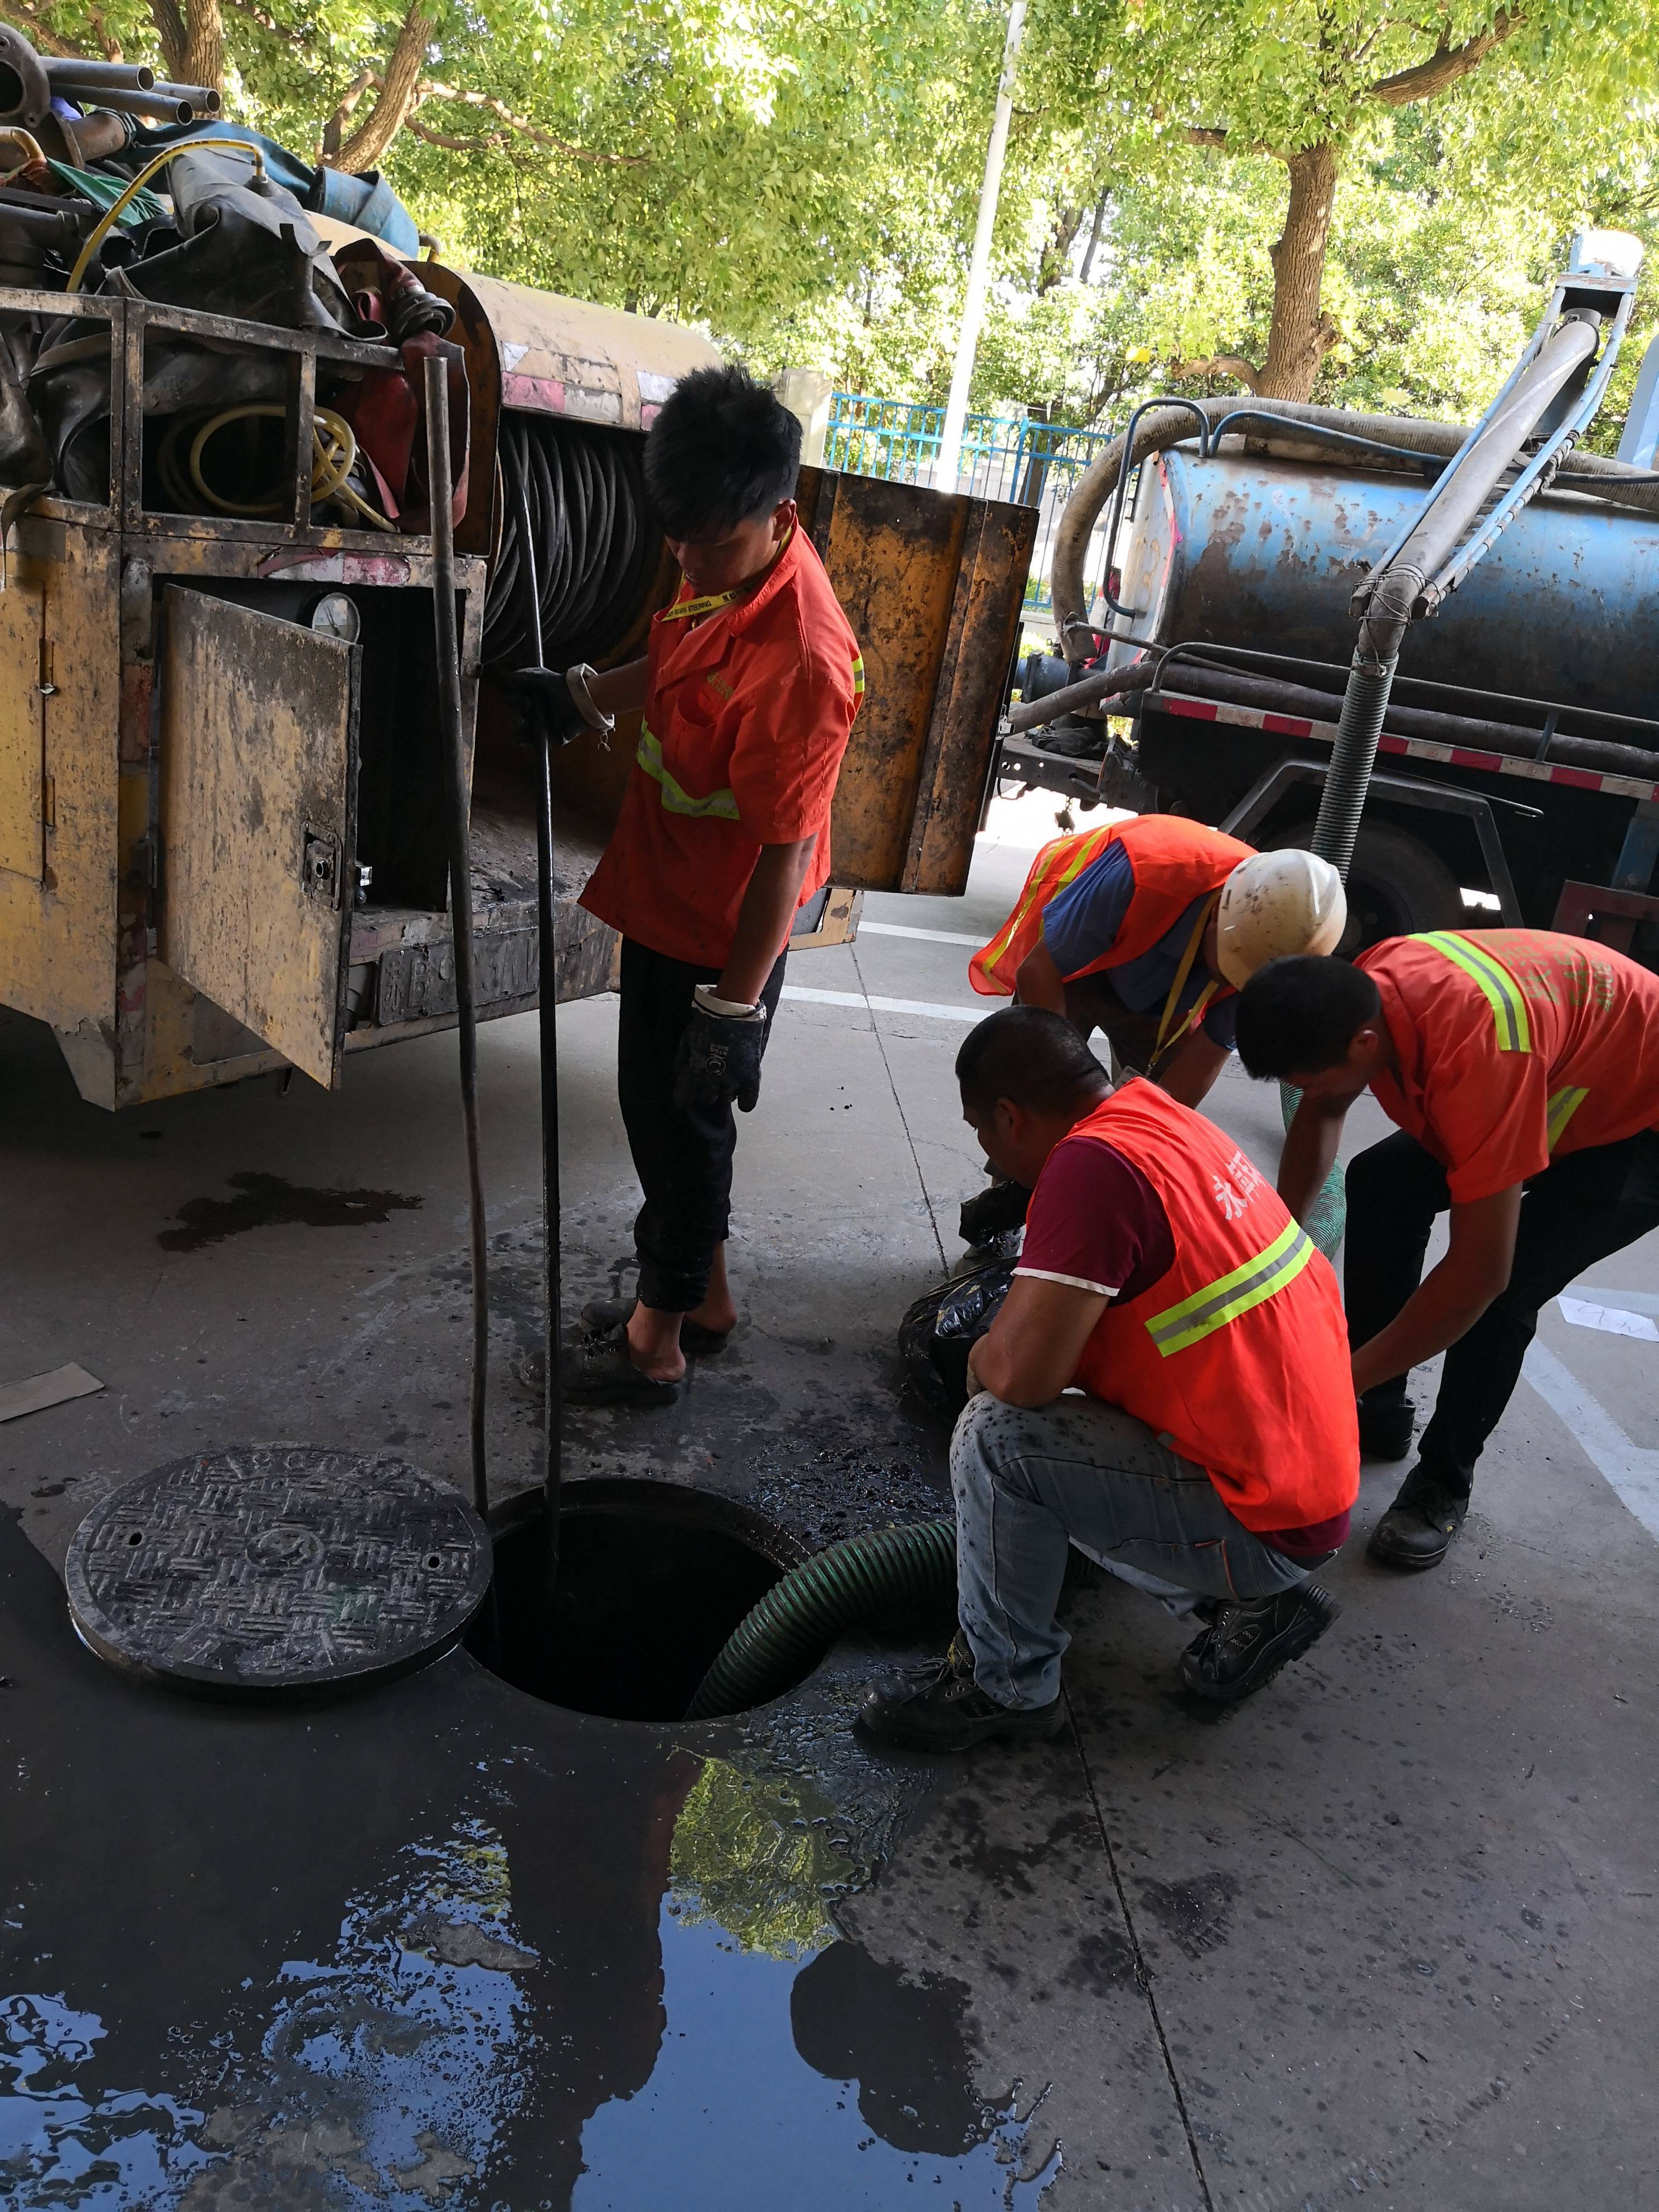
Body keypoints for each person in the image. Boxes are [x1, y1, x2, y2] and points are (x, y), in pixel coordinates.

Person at [860, 1008, 1358, 1752]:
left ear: (1009, 1116)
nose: (990, 1158)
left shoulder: (1091, 1170)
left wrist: (984, 1359)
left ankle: (1007, 1686)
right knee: (1058, 1406)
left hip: (1268, 1518)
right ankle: (1258, 1607)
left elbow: (1021, 1379)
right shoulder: (1154, 1116)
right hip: (1300, 1476)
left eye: (983, 1134)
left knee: (996, 1437)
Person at [515, 365, 862, 1406]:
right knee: (663, 1118)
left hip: (726, 925)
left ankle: (654, 1345)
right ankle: (702, 1302)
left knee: (680, 1124)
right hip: (671, 886)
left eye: (711, 544)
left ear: (779, 515)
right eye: (681, 538)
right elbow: (673, 653)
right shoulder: (718, 559)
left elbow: (783, 858)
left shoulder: (803, 659)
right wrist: (584, 696)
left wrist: (733, 1008)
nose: (689, 558)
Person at [1235, 930, 1659, 1570]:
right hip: (1552, 1078)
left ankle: (1442, 1482)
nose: (1316, 1094)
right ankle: (1375, 1407)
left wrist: (1327, 1385)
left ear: (1364, 1044)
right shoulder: (1365, 990)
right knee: (1380, 1182)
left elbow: (1478, 1273)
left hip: (1635, 1122)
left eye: (1315, 1080)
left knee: (1506, 1289)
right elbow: (1321, 1113)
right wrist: (1276, 1254)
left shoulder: (1480, 1056)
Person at [968, 817, 1347, 1108]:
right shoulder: (1146, 873)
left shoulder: (1272, 953)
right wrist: (1066, 1095)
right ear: (1219, 914)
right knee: (1033, 1096)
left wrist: (1141, 1136)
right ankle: (1010, 1199)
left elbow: (1202, 1062)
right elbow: (1039, 972)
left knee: (1153, 1126)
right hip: (1078, 970)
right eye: (1232, 967)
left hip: (1164, 1003)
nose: (1233, 982)